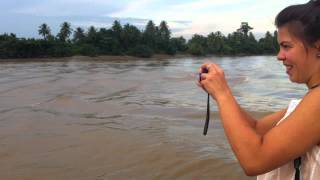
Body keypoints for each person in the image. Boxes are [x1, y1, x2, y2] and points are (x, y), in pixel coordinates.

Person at [197, 0, 320, 179]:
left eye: (286, 46)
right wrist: (219, 92)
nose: (279, 56)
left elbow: (254, 161)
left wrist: (223, 94)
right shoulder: (308, 101)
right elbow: (255, 129)